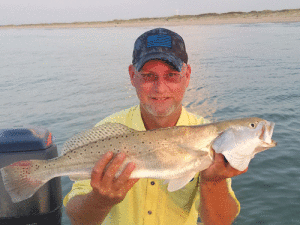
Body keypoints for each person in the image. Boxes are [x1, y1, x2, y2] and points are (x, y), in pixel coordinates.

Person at [64, 28, 247, 225]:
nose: (160, 88)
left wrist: (213, 182)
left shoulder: (209, 135)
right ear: (132, 75)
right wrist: (99, 201)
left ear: (187, 75)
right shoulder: (106, 133)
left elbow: (220, 222)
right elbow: (77, 219)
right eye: (148, 76)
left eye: (171, 75)